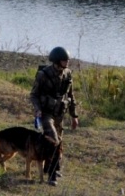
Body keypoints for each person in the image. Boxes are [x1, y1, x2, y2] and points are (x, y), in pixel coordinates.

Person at [29, 46, 79, 186]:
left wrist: (74, 116)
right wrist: (38, 109)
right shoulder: (43, 75)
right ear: (57, 61)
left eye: (68, 60)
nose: (67, 62)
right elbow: (33, 95)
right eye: (65, 60)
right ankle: (52, 175)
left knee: (59, 143)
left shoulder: (68, 74)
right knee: (53, 140)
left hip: (59, 114)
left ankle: (52, 167)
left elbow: (71, 96)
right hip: (46, 114)